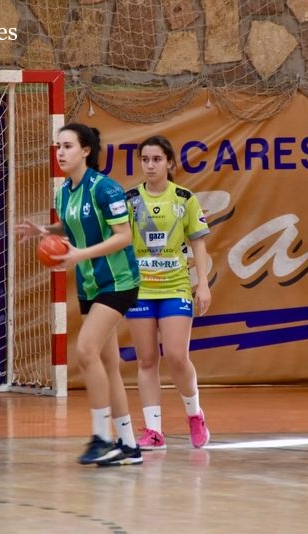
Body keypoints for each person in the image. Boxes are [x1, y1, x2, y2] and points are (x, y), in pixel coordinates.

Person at [15, 123, 143, 466]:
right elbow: (72, 227)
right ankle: (129, 445)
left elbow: (123, 237)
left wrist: (79, 256)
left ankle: (102, 438)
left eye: (68, 146)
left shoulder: (106, 188)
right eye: (57, 146)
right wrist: (45, 230)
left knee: (86, 351)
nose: (60, 152)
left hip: (118, 281)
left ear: (86, 150)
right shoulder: (64, 192)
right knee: (108, 364)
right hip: (90, 284)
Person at [124, 135, 212, 450]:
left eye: (156, 159)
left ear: (169, 163)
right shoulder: (130, 199)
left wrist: (202, 282)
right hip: (140, 289)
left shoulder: (185, 198)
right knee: (147, 359)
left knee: (176, 356)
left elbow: (199, 242)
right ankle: (153, 431)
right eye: (145, 159)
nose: (150, 165)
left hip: (175, 285)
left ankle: (195, 415)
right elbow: (119, 239)